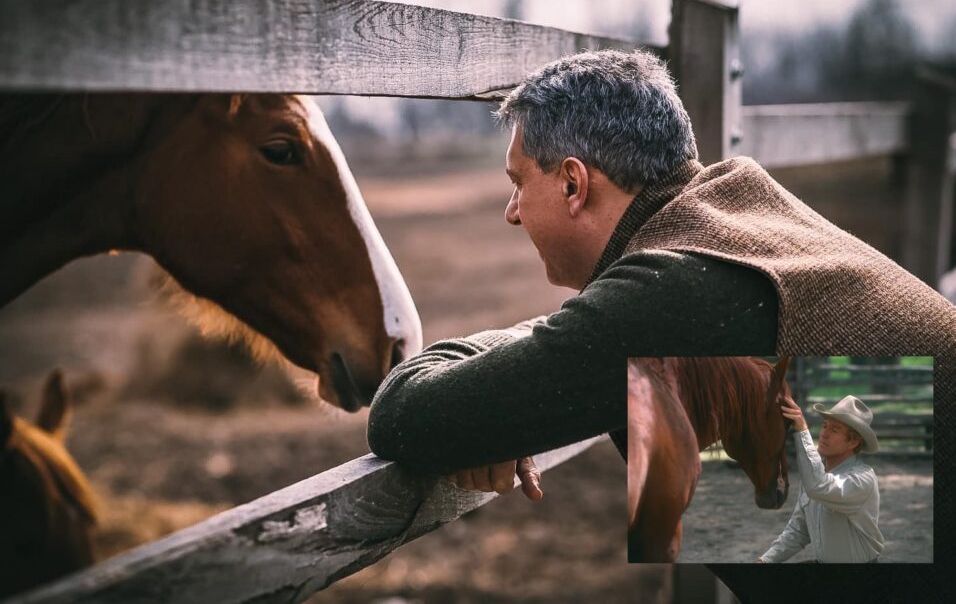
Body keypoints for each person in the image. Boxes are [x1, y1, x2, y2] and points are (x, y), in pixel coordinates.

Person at [366, 49, 956, 496]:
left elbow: (403, 415)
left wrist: (491, 391)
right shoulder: (735, 217)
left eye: (519, 182)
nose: (512, 212)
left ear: (574, 184)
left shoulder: (675, 290)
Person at [758, 395, 884, 563]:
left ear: (853, 442)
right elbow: (798, 531)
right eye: (825, 426)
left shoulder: (862, 479)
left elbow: (818, 486)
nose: (824, 434)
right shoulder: (814, 474)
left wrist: (802, 429)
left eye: (834, 430)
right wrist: (765, 560)